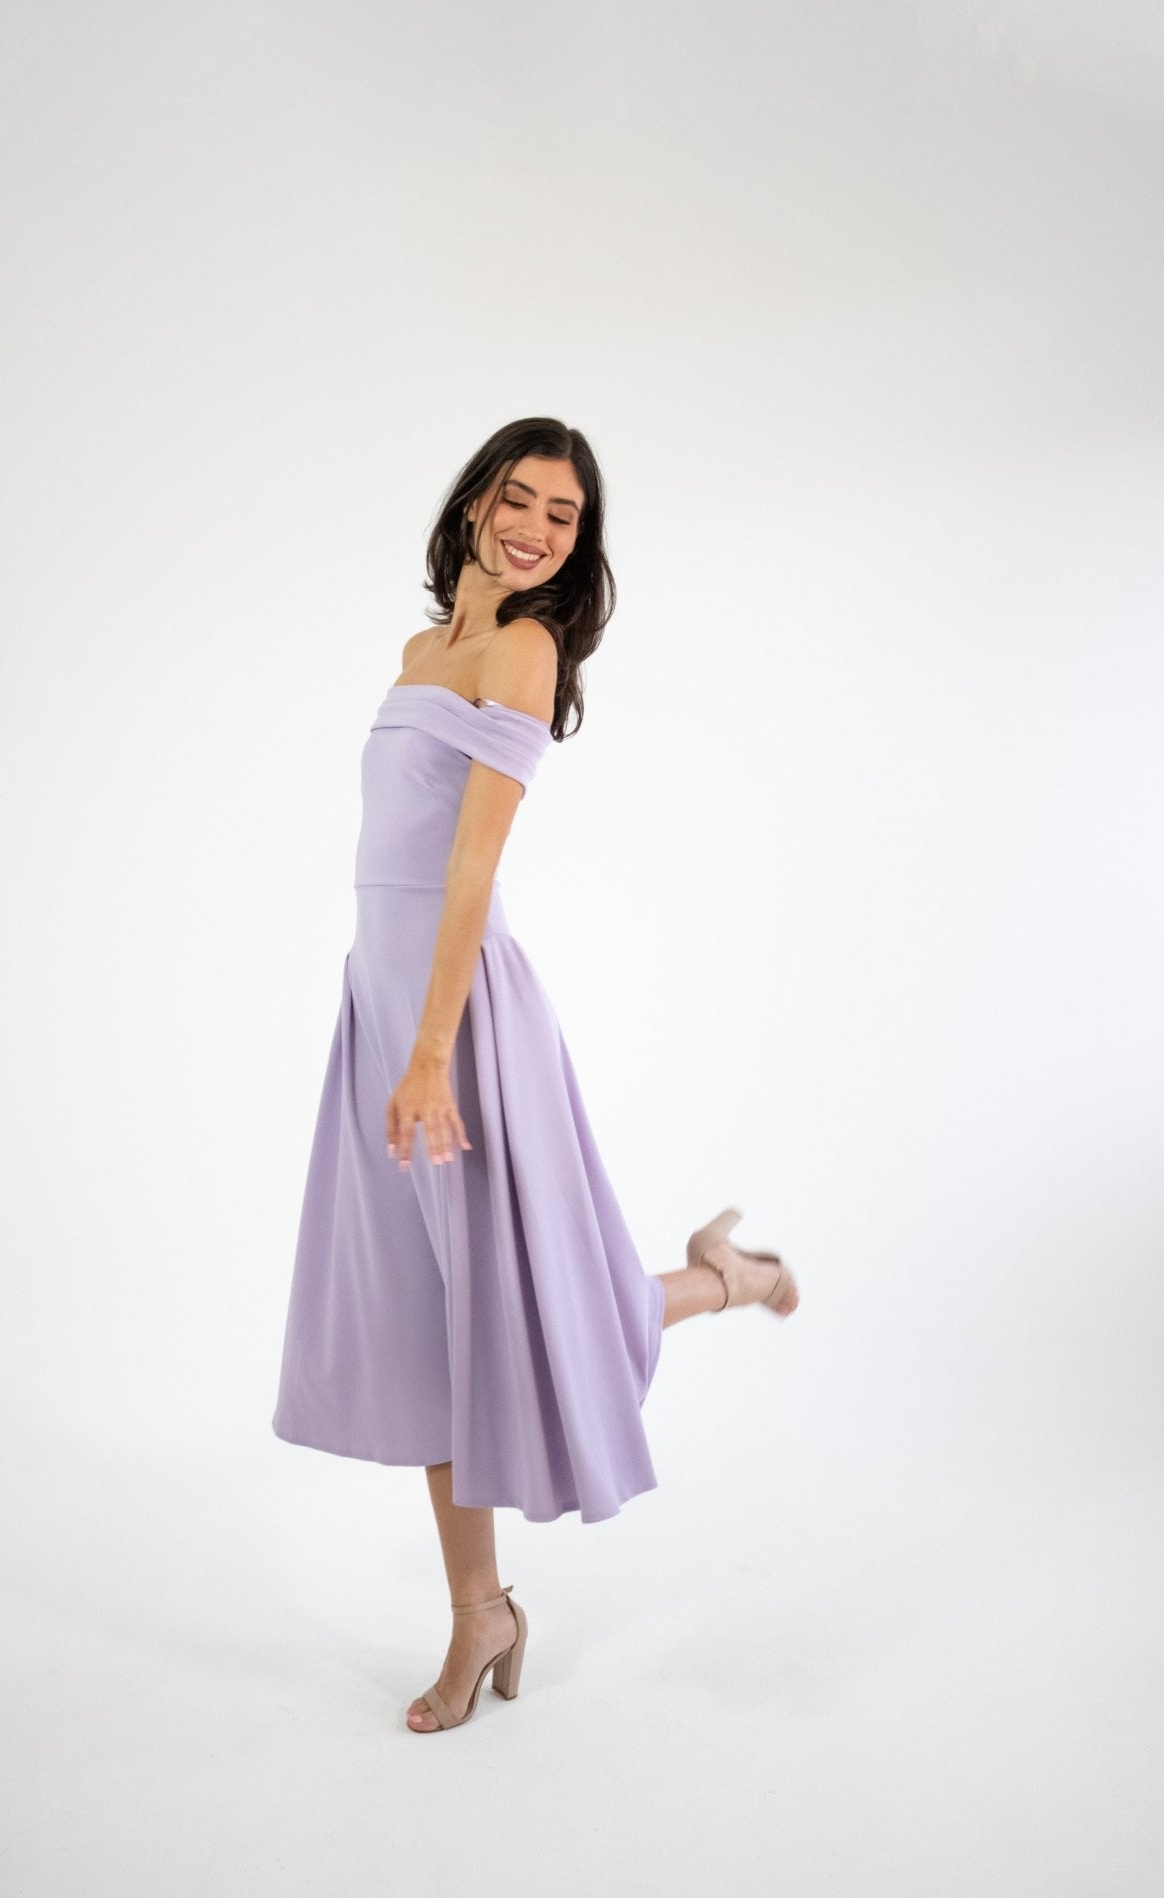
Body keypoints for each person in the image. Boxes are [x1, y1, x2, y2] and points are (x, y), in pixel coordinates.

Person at [272, 417, 798, 1735]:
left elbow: (471, 869)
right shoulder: (422, 653)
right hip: (385, 1001)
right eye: (520, 500)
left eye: (564, 517)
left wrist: (431, 1053)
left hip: (458, 1026)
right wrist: (389, 1027)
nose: (537, 530)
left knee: (517, 1313)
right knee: (430, 1325)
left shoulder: (522, 650)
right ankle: (484, 1612)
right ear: (475, 505)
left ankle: (729, 1280)